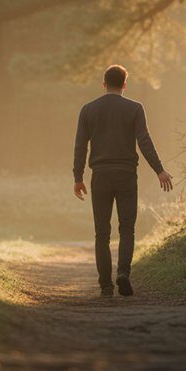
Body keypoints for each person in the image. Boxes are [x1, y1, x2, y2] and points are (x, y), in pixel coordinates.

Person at [72, 64, 173, 297]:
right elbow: (144, 141)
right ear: (125, 85)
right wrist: (159, 170)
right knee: (127, 228)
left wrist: (78, 177)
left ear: (104, 84)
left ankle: (106, 286)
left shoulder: (88, 110)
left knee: (102, 232)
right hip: (127, 175)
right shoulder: (135, 108)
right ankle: (123, 274)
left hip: (100, 176)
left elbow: (80, 146)